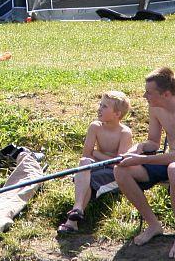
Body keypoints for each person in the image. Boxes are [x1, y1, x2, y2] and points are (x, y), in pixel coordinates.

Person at [112, 67, 175, 259]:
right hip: (172, 159)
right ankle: (153, 225)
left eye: (149, 93)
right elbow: (153, 142)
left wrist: (142, 159)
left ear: (166, 94)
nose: (144, 96)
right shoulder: (155, 108)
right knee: (121, 170)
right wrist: (137, 149)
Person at [57, 90, 133, 234]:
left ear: (117, 114)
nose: (99, 108)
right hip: (96, 166)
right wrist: (100, 157)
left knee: (89, 179)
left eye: (104, 106)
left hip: (114, 174)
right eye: (100, 104)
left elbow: (119, 162)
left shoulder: (124, 133)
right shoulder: (95, 127)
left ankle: (71, 222)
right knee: (84, 162)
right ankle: (78, 208)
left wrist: (98, 154)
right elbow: (87, 154)